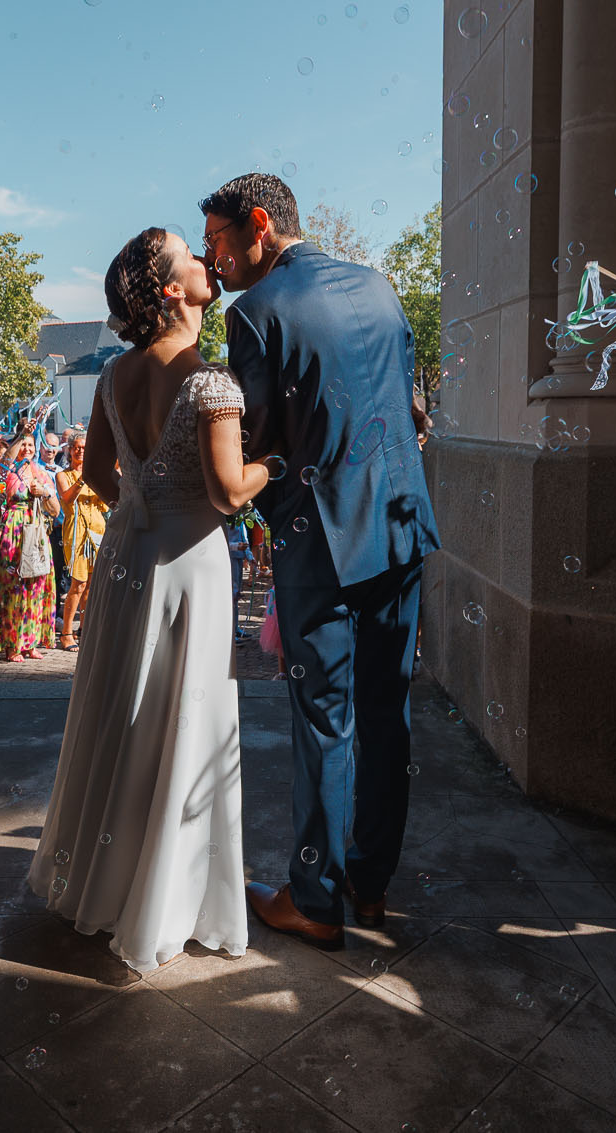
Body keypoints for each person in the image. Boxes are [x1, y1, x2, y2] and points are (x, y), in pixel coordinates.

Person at [203, 173, 440, 949]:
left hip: (324, 543)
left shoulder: (256, 313)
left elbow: (257, 442)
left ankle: (314, 898)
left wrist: (276, 510)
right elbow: (411, 409)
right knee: (387, 715)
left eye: (218, 239)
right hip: (402, 533)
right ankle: (370, 887)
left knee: (325, 721)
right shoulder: (378, 285)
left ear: (260, 225)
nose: (214, 258)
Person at [26, 227, 267, 971]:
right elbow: (231, 492)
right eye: (190, 258)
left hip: (128, 556)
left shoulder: (112, 377)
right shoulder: (212, 382)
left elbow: (98, 475)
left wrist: (149, 499)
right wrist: (279, 460)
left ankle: (104, 880)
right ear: (171, 289)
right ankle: (167, 896)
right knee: (180, 721)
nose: (205, 260)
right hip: (190, 563)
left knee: (118, 712)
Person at [0, 437, 59, 661]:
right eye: (23, 445)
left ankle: (31, 642)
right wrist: (20, 435)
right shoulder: (8, 471)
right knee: (13, 587)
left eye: (31, 445)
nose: (27, 449)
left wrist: (44, 493)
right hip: (13, 534)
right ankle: (12, 644)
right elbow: (7, 458)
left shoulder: (41, 473)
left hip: (36, 533)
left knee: (36, 586)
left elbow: (56, 510)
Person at [56, 431, 108, 650]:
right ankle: (66, 633)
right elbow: (67, 497)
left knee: (91, 586)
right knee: (77, 584)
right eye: (76, 447)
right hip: (76, 532)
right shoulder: (63, 475)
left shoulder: (97, 475)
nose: (80, 451)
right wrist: (84, 477)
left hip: (97, 530)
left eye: (85, 448)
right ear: (70, 450)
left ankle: (84, 630)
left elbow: (107, 504)